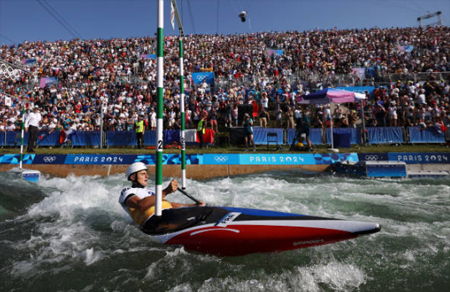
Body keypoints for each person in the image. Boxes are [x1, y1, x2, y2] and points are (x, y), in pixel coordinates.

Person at [119, 162, 205, 233]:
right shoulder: (127, 191)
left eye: (146, 174)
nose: (147, 176)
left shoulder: (152, 190)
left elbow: (170, 205)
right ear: (133, 177)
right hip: (153, 222)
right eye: (143, 174)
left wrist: (193, 205)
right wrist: (166, 191)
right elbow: (140, 205)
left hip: (167, 216)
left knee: (198, 213)